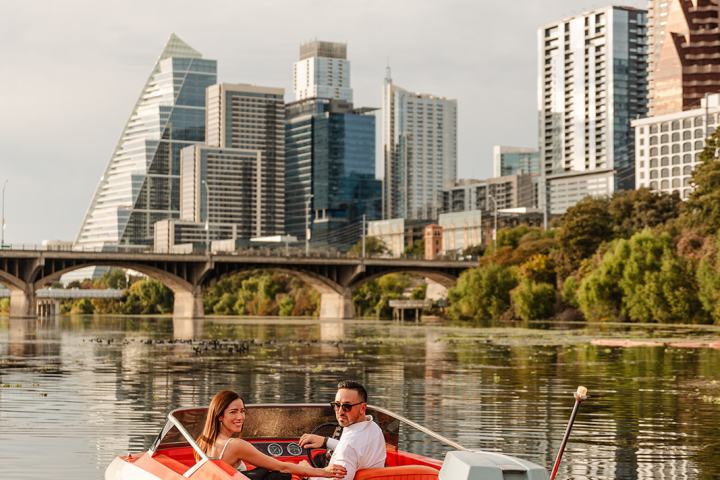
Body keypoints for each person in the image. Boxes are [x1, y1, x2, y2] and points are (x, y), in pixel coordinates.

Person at [196, 390, 346, 479]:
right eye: (233, 412)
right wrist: (323, 472)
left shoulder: (203, 442)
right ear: (220, 416)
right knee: (280, 475)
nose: (240, 417)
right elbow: (282, 467)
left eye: (242, 411)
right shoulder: (235, 445)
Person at [299, 380, 386, 480]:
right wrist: (326, 441)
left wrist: (307, 473)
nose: (340, 412)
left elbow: (349, 449)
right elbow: (357, 451)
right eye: (337, 405)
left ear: (362, 408)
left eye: (347, 407)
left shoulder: (348, 447)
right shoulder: (374, 428)